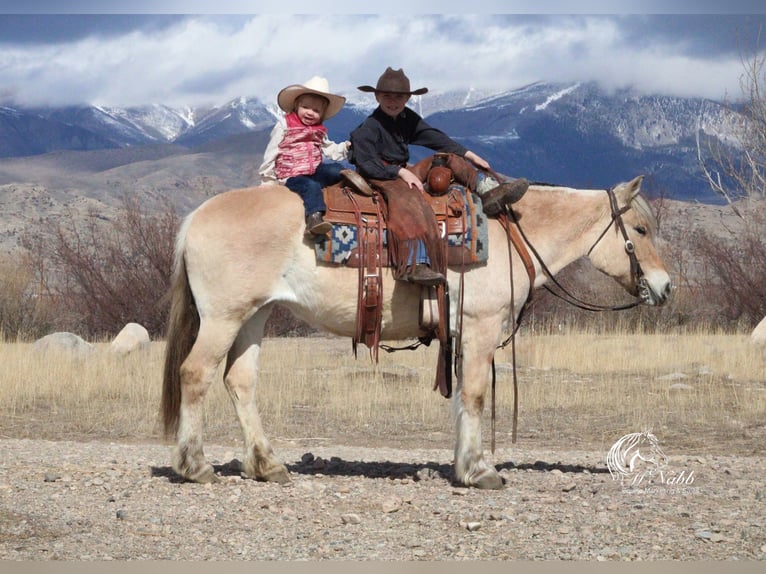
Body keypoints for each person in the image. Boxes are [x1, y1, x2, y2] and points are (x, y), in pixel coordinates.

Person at [349, 67, 528, 286]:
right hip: (378, 175)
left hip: (399, 170)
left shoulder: (406, 119)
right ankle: (415, 262)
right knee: (410, 198)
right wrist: (399, 172)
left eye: (399, 97)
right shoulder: (369, 128)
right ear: (377, 96)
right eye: (387, 96)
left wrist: (470, 155)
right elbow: (366, 164)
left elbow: (434, 138)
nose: (392, 101)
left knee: (445, 158)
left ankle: (487, 189)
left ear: (407, 98)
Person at [259, 76, 351, 236]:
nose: (310, 112)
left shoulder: (319, 130)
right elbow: (272, 151)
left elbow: (329, 149)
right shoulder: (285, 126)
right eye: (306, 107)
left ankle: (351, 182)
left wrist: (345, 147)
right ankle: (314, 218)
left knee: (336, 170)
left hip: (314, 171)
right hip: (291, 175)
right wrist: (268, 179)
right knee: (311, 187)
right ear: (296, 106)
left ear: (322, 114)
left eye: (316, 110)